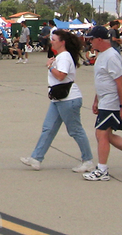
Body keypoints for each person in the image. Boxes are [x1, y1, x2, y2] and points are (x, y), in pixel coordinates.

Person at [20, 30, 94, 173]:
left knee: (75, 130)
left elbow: (61, 76)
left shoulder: (64, 57)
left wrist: (50, 67)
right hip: (59, 98)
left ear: (62, 42)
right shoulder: (61, 56)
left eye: (54, 39)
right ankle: (36, 157)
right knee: (48, 128)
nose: (51, 41)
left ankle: (88, 160)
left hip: (68, 99)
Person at [82, 26, 122, 182]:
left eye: (91, 39)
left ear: (99, 39)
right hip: (104, 100)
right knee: (107, 135)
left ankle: (102, 169)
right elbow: (102, 81)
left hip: (112, 101)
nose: (90, 42)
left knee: (101, 134)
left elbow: (120, 83)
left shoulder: (112, 56)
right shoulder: (101, 56)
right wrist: (96, 100)